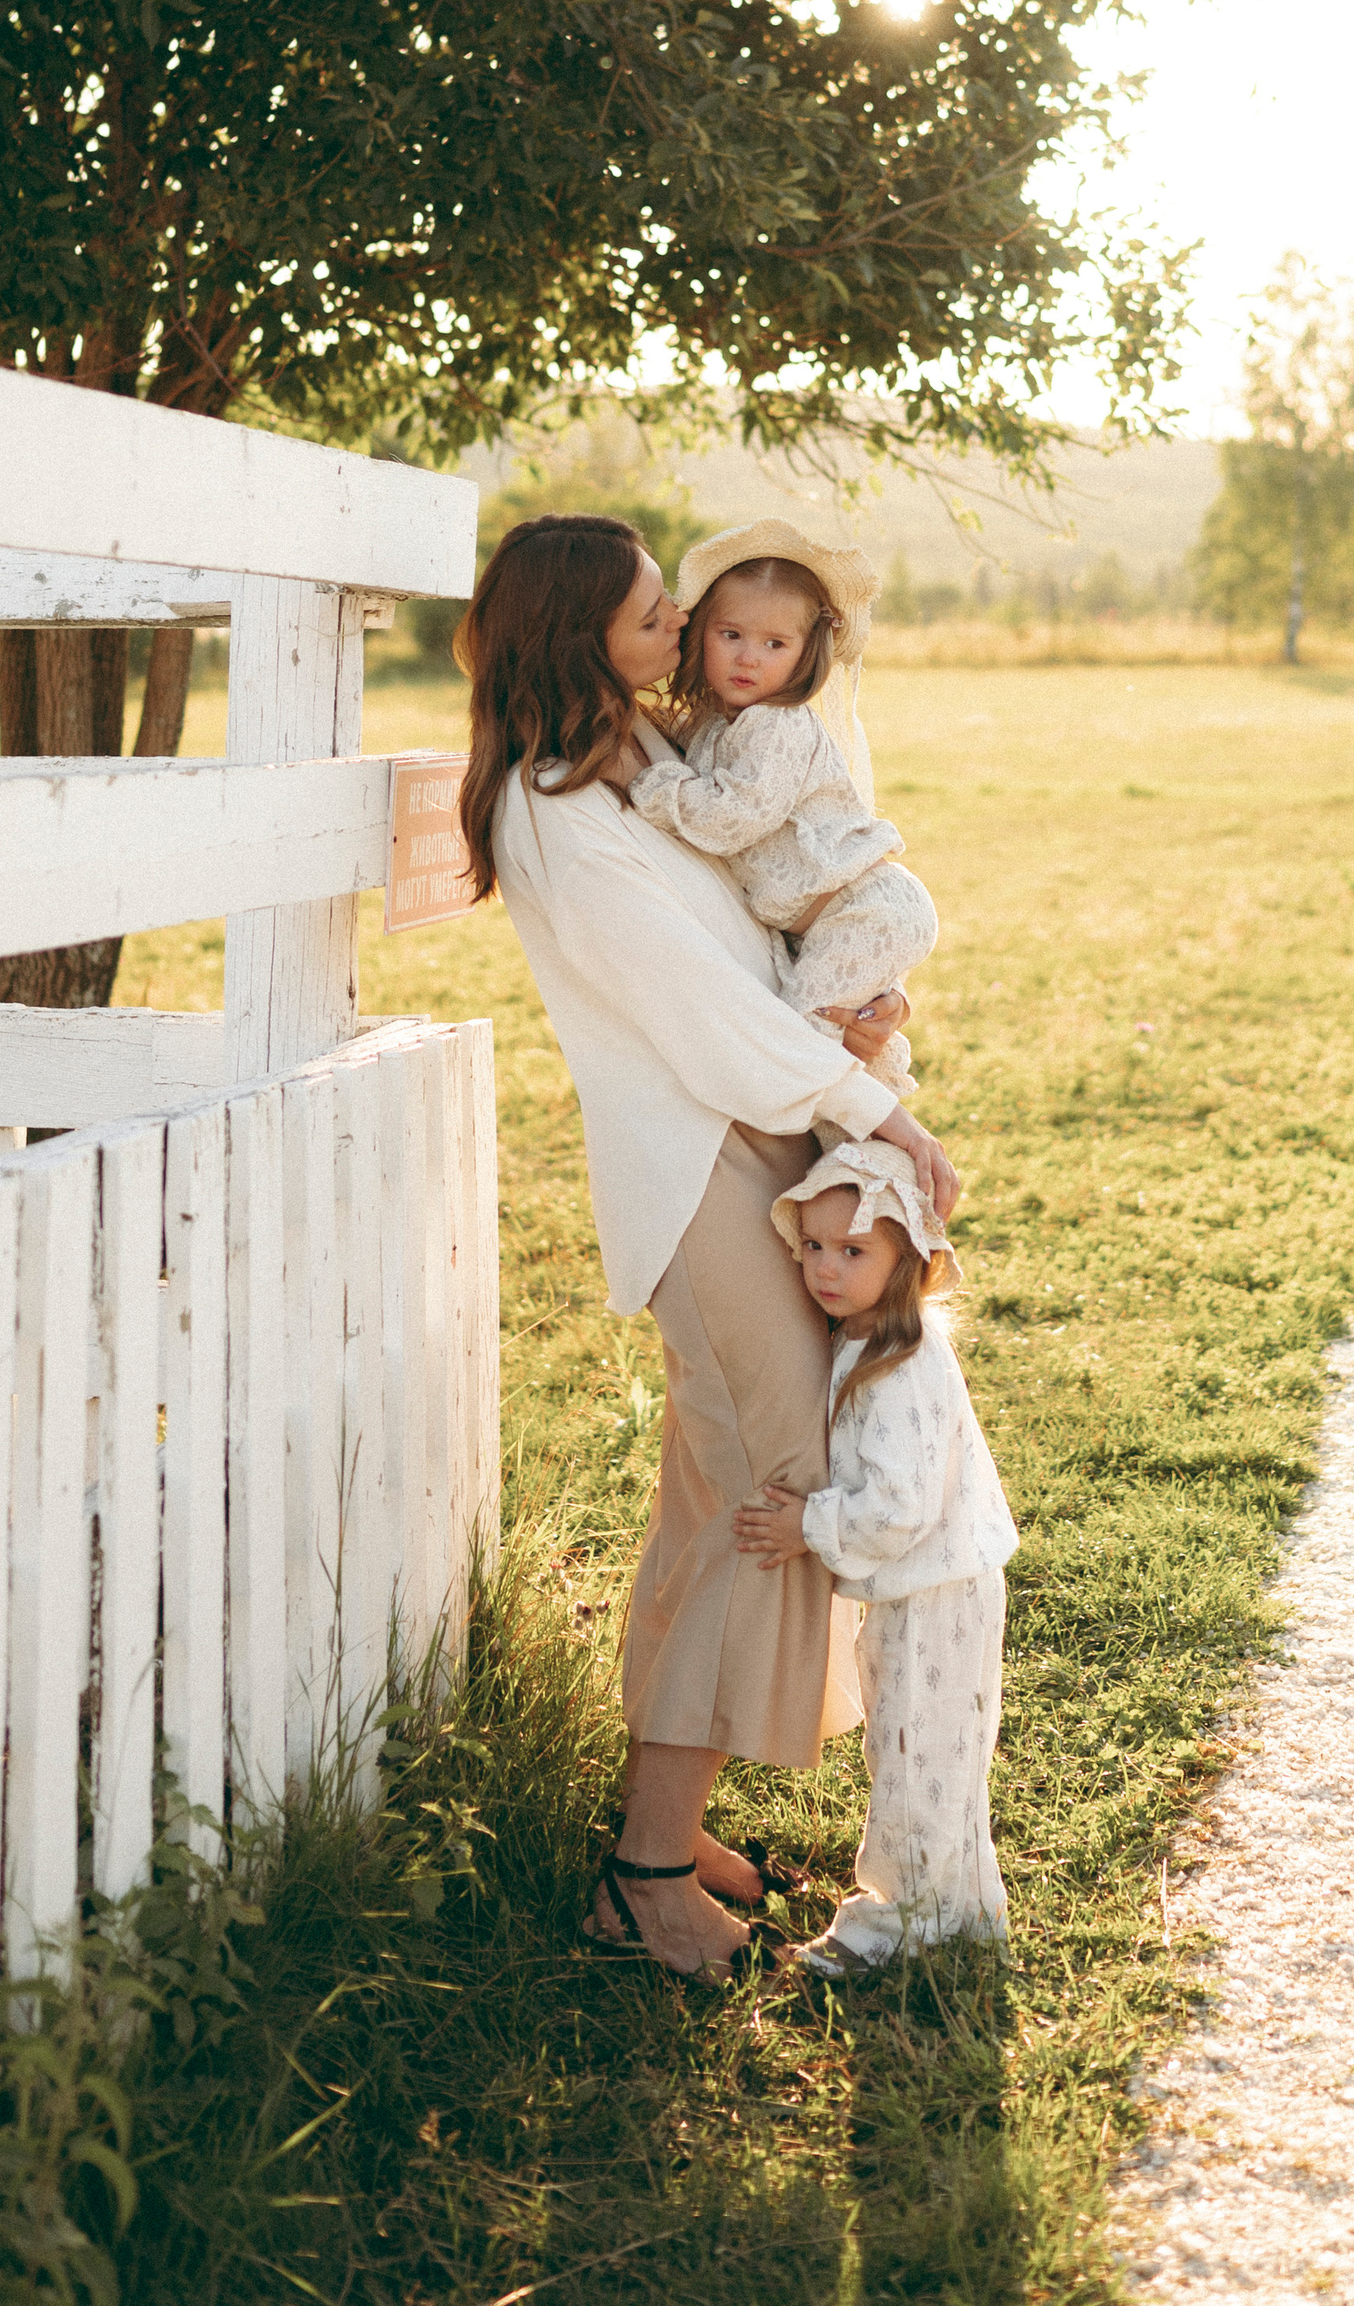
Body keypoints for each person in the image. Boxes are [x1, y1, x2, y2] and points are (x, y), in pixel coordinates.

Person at [459, 510, 962, 1978]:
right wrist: (876, 1107)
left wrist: (858, 1011)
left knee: (717, 1496)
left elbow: (751, 947)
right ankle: (644, 1875)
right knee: (771, 1484)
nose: (682, 633)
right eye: (651, 618)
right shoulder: (557, 814)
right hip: (700, 1162)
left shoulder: (639, 767)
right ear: (580, 640)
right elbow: (701, 1017)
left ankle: (665, 1822)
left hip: (755, 1133)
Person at [733, 1158, 1018, 1978]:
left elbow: (900, 1506)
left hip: (935, 1588)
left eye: (853, 1252)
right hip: (922, 1586)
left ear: (907, 1262)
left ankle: (901, 1921)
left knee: (918, 1752)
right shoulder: (861, 1340)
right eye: (814, 1245)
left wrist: (806, 1525)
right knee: (929, 1753)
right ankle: (960, 1910)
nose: (825, 1266)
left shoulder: (900, 1363)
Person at [626, 524, 939, 1229]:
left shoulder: (779, 725)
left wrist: (659, 789)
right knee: (837, 1041)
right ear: (701, 631)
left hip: (865, 909)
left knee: (804, 1046)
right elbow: (678, 740)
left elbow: (732, 817)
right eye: (731, 635)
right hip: (829, 917)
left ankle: (861, 1192)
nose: (748, 658)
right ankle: (863, 1186)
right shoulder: (716, 724)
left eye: (775, 644)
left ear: (805, 654)